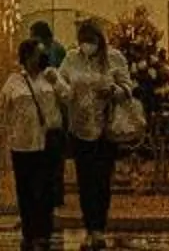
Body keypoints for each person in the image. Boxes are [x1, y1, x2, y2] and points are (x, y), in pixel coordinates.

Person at [56, 18, 138, 249]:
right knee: (85, 180)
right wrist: (63, 90)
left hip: (106, 129)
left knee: (102, 180)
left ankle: (99, 227)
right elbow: (62, 85)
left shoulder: (114, 58)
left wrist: (113, 90)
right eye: (83, 41)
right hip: (80, 128)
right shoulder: (71, 58)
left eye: (90, 41)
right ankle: (89, 225)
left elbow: (128, 88)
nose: (86, 46)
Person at [0, 35, 69, 251]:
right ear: (27, 57)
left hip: (47, 142)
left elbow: (68, 97)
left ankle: (43, 233)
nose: (43, 57)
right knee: (26, 190)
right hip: (22, 143)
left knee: (46, 190)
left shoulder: (50, 77)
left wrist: (56, 81)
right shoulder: (14, 81)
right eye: (38, 53)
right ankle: (29, 232)